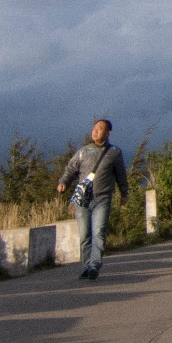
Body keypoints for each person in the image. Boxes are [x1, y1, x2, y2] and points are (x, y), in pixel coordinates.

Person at [55, 118, 129, 281]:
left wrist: (124, 193)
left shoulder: (114, 152)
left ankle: (95, 264)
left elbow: (121, 175)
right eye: (94, 128)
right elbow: (71, 169)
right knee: (85, 235)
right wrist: (63, 182)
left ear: (108, 132)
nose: (95, 131)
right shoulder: (83, 152)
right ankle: (87, 265)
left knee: (99, 233)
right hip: (83, 200)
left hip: (102, 198)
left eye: (100, 129)